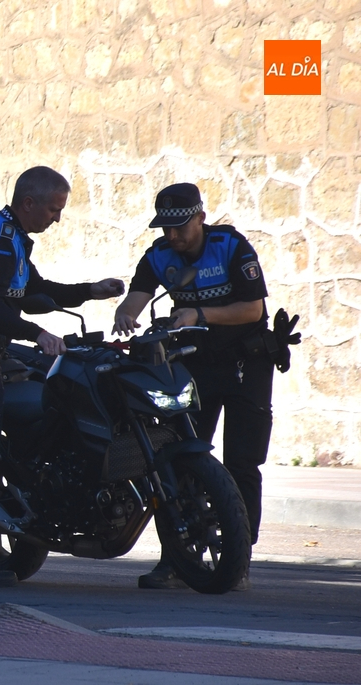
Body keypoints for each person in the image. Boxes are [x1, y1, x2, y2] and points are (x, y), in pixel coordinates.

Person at [0, 166, 124, 587]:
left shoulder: (8, 237)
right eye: (53, 209)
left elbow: (34, 293)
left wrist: (91, 290)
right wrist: (39, 336)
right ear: (28, 202)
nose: (57, 218)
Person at [112, 182, 275, 591]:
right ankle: (176, 557)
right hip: (193, 365)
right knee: (178, 461)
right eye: (166, 228)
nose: (173, 236)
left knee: (242, 464)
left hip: (245, 364)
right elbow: (138, 295)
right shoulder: (159, 255)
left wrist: (199, 312)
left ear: (200, 217)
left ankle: (237, 556)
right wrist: (126, 313)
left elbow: (253, 309)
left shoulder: (230, 246)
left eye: (181, 226)